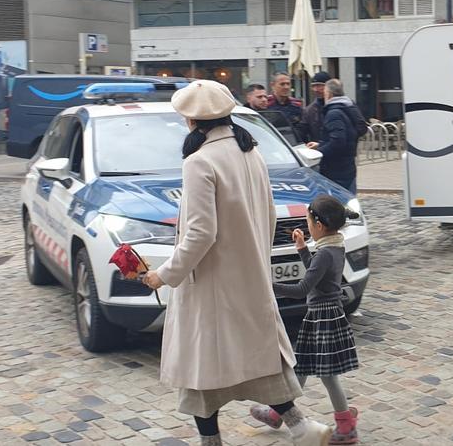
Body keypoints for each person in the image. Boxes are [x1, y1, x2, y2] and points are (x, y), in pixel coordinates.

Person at [141, 80, 332, 446]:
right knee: (258, 360)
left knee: (201, 373)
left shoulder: (200, 161)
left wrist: (164, 275)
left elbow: (199, 234)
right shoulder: (250, 152)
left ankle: (212, 443)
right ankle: (301, 428)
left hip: (211, 284)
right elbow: (269, 216)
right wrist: (254, 255)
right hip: (249, 276)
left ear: (192, 120)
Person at [253, 195, 362, 444]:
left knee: (327, 375)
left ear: (319, 226)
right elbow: (317, 274)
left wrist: (269, 286)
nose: (307, 227)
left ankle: (346, 427)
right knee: (301, 366)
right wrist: (302, 248)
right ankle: (278, 412)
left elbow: (303, 288)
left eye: (308, 223)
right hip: (325, 313)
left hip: (322, 316)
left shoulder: (325, 253)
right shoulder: (334, 245)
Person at [307, 79, 361, 192]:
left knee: (339, 202)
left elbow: (338, 141)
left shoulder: (334, 113)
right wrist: (320, 144)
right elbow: (360, 129)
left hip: (336, 168)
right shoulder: (348, 107)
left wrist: (318, 152)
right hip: (348, 164)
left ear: (329, 94)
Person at [267, 73, 306, 138]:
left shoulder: (297, 105)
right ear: (272, 85)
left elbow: (302, 128)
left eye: (288, 84)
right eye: (282, 84)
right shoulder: (266, 104)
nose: (286, 87)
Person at [302, 71, 331, 143]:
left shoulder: (342, 105)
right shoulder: (309, 110)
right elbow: (303, 133)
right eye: (313, 86)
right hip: (317, 151)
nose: (315, 89)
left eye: (319, 86)